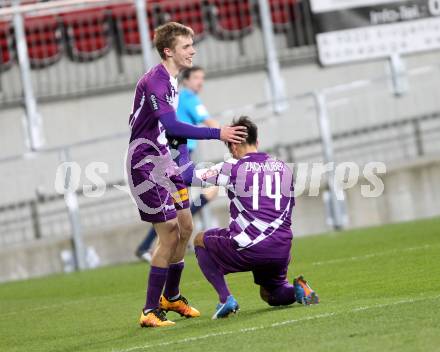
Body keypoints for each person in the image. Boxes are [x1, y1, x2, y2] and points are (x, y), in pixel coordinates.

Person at [127, 22, 247, 328]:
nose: (192, 50)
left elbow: (171, 137)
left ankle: (172, 297)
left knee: (186, 225)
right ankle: (150, 310)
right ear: (169, 51)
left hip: (164, 160)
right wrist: (217, 132)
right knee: (168, 232)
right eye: (186, 46)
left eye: (192, 45)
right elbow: (174, 127)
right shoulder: (156, 81)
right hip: (145, 163)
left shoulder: (172, 82)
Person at [171, 116, 319, 319]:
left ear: (232, 148)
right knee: (271, 294)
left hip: (249, 246)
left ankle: (225, 298)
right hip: (282, 248)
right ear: (257, 142)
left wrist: (181, 142)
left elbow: (186, 176)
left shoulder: (232, 167)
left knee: (199, 240)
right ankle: (299, 290)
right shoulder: (283, 168)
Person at [135, 66, 219, 262]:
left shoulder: (178, 97)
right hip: (178, 154)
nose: (201, 82)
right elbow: (209, 122)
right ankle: (157, 245)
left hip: (177, 153)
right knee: (210, 188)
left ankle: (148, 246)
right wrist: (230, 136)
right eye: (197, 77)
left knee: (177, 203)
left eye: (202, 77)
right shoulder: (189, 97)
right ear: (186, 81)